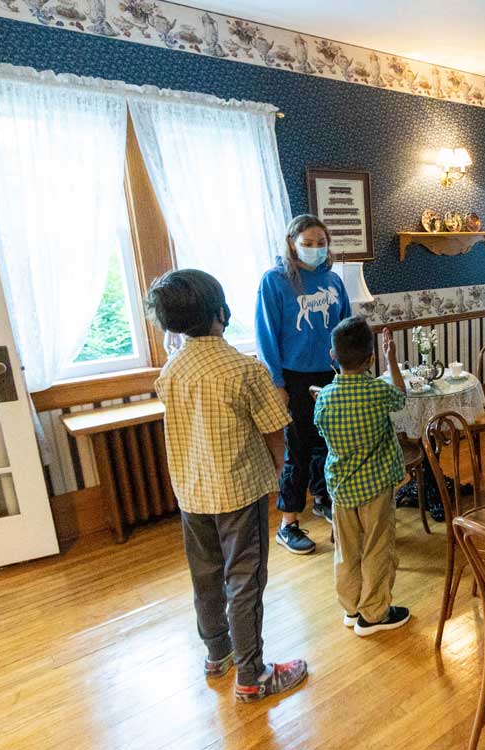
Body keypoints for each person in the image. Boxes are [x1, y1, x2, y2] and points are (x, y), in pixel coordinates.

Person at [148, 269, 308, 703]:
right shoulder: (244, 369)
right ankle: (253, 675)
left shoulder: (172, 369)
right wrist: (278, 472)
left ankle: (218, 654)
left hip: (191, 491)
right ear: (221, 312)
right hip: (239, 491)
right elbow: (276, 429)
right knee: (245, 580)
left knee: (205, 576)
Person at [256, 214, 352, 555]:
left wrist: (347, 371)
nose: (314, 249)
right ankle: (288, 523)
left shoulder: (334, 281)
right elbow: (266, 336)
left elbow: (345, 328)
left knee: (327, 445)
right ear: (292, 244)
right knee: (296, 449)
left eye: (320, 243)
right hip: (294, 378)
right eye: (307, 244)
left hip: (330, 374)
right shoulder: (275, 281)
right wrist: (277, 382)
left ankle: (323, 499)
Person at [314, 316, 410, 636]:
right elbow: (400, 394)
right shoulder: (377, 392)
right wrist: (392, 358)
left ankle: (352, 607)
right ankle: (375, 613)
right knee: (378, 548)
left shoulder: (325, 398)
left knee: (347, 551)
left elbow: (322, 432)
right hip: (375, 487)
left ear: (333, 356)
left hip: (340, 490)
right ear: (371, 358)